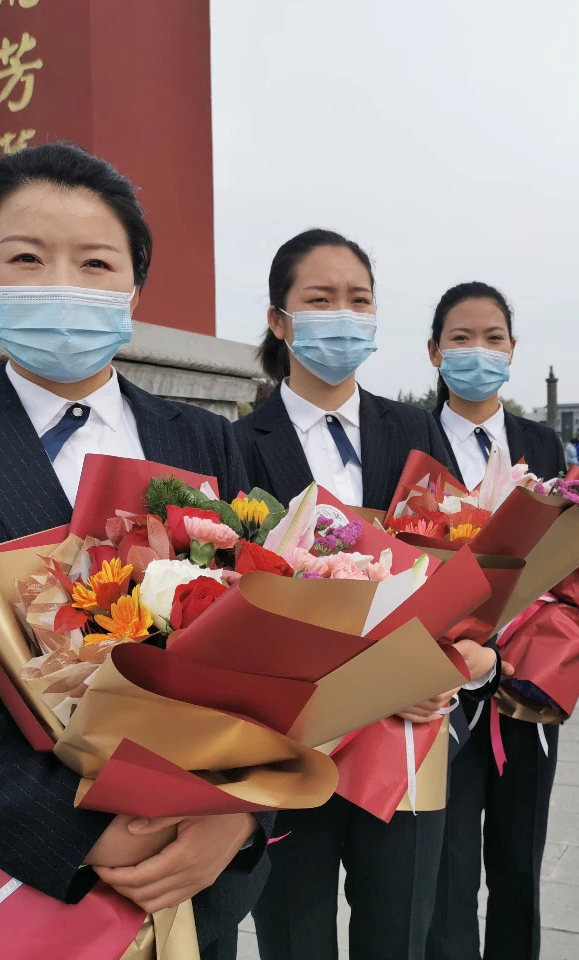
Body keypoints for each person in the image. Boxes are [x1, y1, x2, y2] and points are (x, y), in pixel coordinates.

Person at [0, 144, 269, 960]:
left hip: (197, 871)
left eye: (96, 262)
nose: (63, 285)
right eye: (28, 259)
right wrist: (77, 836)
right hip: (2, 867)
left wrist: (241, 814)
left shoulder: (209, 442)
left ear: (133, 288)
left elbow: (276, 657)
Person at [234, 230, 494, 960]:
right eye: (319, 300)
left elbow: (463, 568)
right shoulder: (234, 444)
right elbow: (222, 595)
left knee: (400, 935)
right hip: (289, 742)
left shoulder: (417, 429)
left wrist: (449, 661)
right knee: (295, 937)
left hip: (407, 738)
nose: (342, 315)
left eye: (359, 300)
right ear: (280, 320)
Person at [422, 281, 579, 960]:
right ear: (434, 352)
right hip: (441, 693)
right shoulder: (412, 444)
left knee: (519, 860)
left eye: (493, 338)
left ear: (513, 352)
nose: (478, 351)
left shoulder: (542, 442)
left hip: (530, 685)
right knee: (446, 868)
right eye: (461, 338)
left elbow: (574, 560)